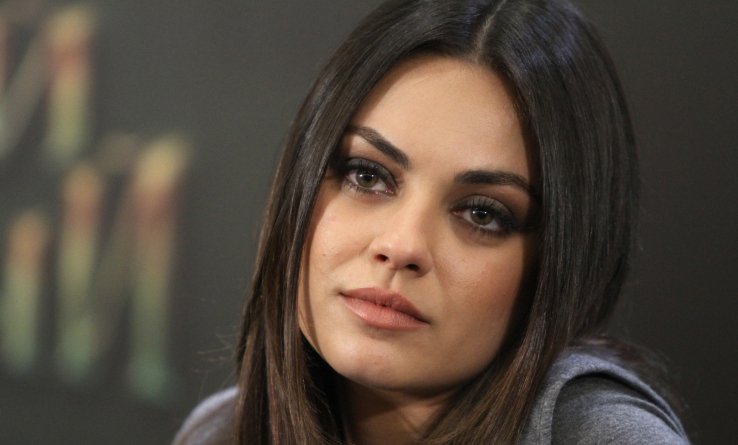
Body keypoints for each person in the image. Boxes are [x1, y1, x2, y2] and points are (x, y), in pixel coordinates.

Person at [175, 0, 690, 443]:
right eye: (367, 176)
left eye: (482, 214)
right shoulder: (221, 431)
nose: (402, 245)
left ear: (560, 265)